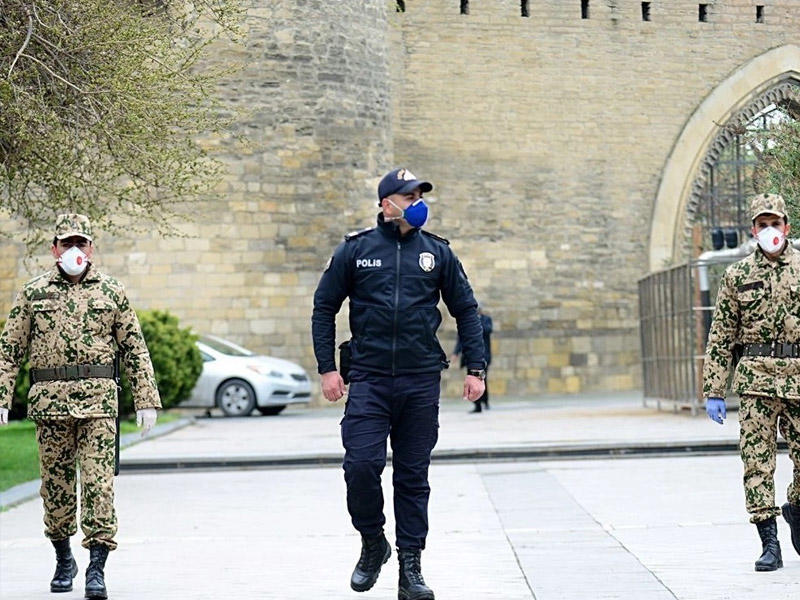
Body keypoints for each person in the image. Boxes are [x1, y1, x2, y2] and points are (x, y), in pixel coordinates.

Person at [312, 168, 486, 599]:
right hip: (369, 378)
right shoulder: (356, 250)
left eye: (420, 195)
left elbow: (466, 309)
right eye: (409, 196)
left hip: (419, 379)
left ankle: (411, 570)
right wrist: (327, 368)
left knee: (413, 476)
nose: (417, 202)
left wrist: (476, 369)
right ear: (386, 203)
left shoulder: (437, 253)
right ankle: (373, 542)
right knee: (361, 466)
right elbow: (323, 307)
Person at [0, 214, 161, 599]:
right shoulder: (33, 293)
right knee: (56, 491)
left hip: (98, 407)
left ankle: (96, 569)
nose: (75, 251)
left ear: (92, 249)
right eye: (67, 244)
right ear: (54, 249)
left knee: (98, 486)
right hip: (50, 406)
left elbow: (134, 348)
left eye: (81, 244)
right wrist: (2, 396)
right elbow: (9, 351)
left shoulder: (112, 291)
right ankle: (62, 558)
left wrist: (146, 399)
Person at [703, 193, 800, 572]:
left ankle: (795, 504)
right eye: (762, 224)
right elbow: (722, 335)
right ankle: (769, 544)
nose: (770, 230)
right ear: (753, 230)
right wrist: (714, 389)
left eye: (775, 223)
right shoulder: (737, 276)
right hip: (756, 381)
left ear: (787, 226)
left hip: (798, 378)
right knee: (757, 464)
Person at [451, 305, 493, 412]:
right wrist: (456, 353)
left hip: (485, 356)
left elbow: (488, 330)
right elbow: (461, 339)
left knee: (483, 379)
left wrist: (475, 322)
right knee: (473, 379)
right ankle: (477, 405)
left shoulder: (486, 320)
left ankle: (485, 401)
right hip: (470, 357)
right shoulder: (466, 322)